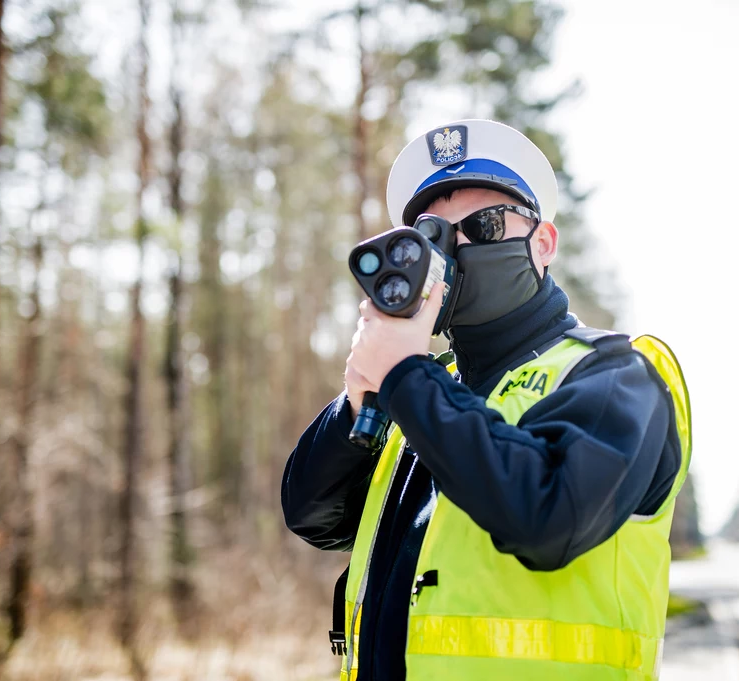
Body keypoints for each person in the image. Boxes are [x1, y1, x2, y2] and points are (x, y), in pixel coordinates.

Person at [281, 119, 691, 681]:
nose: (455, 250)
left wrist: (404, 374)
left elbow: (548, 518)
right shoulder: (423, 389)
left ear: (542, 244)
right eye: (433, 236)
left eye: (484, 224)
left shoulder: (616, 376)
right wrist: (359, 399)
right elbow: (313, 517)